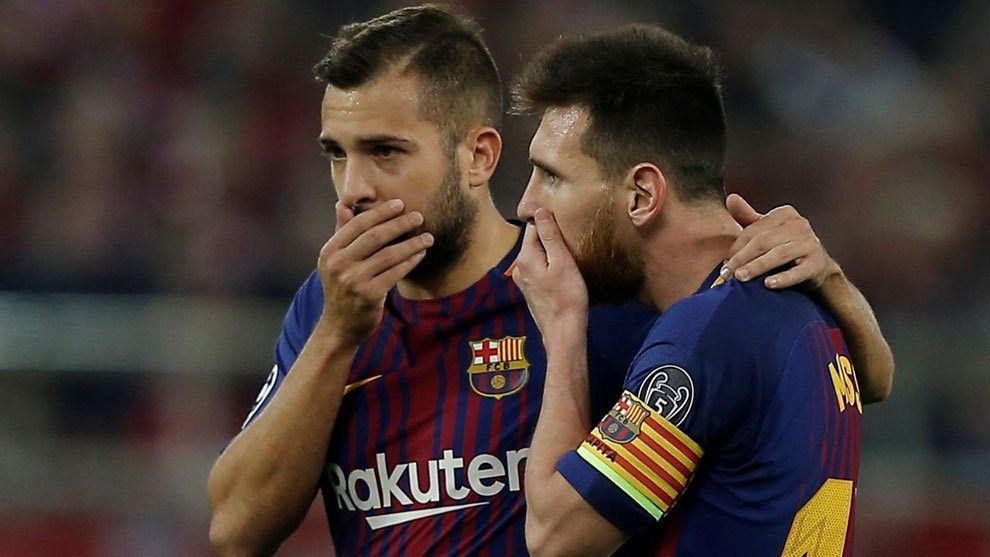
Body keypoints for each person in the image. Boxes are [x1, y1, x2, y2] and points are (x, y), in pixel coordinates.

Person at [207, 6, 892, 556]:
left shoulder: (592, 289)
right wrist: (335, 336)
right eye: (337, 155)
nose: (352, 188)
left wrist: (826, 278)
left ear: (478, 156)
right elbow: (235, 533)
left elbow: (842, 379)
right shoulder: (331, 305)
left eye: (385, 151)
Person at [510, 23, 888, 556]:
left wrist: (563, 328)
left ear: (642, 195)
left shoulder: (702, 335)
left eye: (552, 177)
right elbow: (877, 381)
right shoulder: (801, 298)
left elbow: (555, 539)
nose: (527, 205)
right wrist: (833, 277)